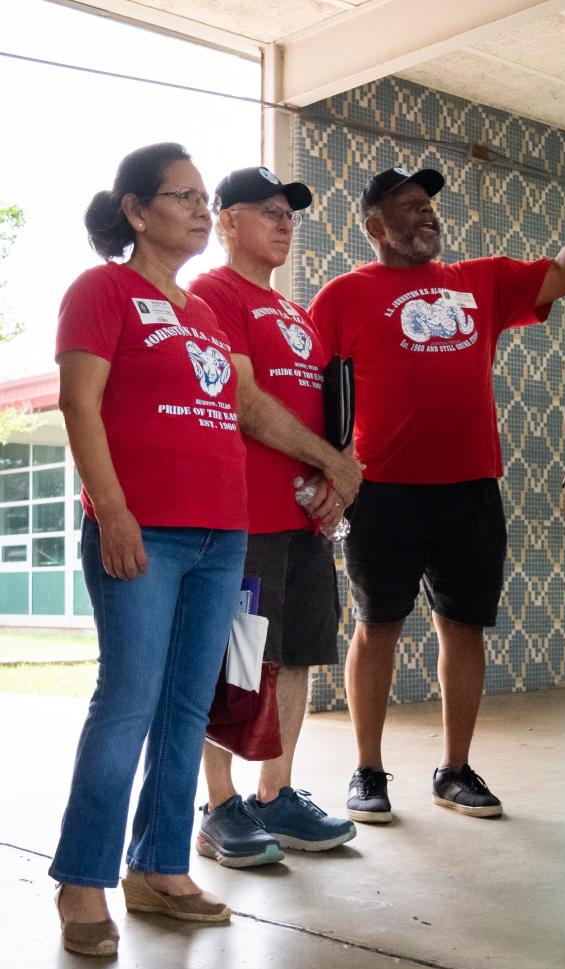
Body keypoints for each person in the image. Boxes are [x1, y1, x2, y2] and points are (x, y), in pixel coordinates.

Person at [308, 166, 565, 822]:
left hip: (469, 489)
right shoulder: (342, 296)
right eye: (408, 207)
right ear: (375, 227)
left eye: (428, 205)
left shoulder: (477, 280)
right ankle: (368, 771)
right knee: (378, 627)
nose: (426, 214)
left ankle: (454, 771)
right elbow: (315, 391)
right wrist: (329, 470)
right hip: (384, 490)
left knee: (464, 628)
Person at [50, 143, 248, 954]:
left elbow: (235, 411)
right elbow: (77, 404)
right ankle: (82, 881)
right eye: (182, 196)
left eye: (205, 197)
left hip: (220, 534)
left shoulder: (202, 310)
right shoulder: (103, 290)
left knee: (187, 707)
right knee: (128, 699)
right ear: (135, 211)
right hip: (143, 529)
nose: (202, 210)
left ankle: (159, 867)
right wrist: (114, 510)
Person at [188, 167, 364, 867]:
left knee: (295, 655)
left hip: (305, 522)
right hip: (244, 517)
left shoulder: (297, 316)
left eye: (289, 213)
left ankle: (275, 795)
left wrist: (338, 475)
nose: (285, 222)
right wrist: (335, 460)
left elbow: (332, 412)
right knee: (235, 661)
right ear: (226, 220)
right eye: (267, 211)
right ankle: (220, 805)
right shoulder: (213, 295)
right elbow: (244, 401)